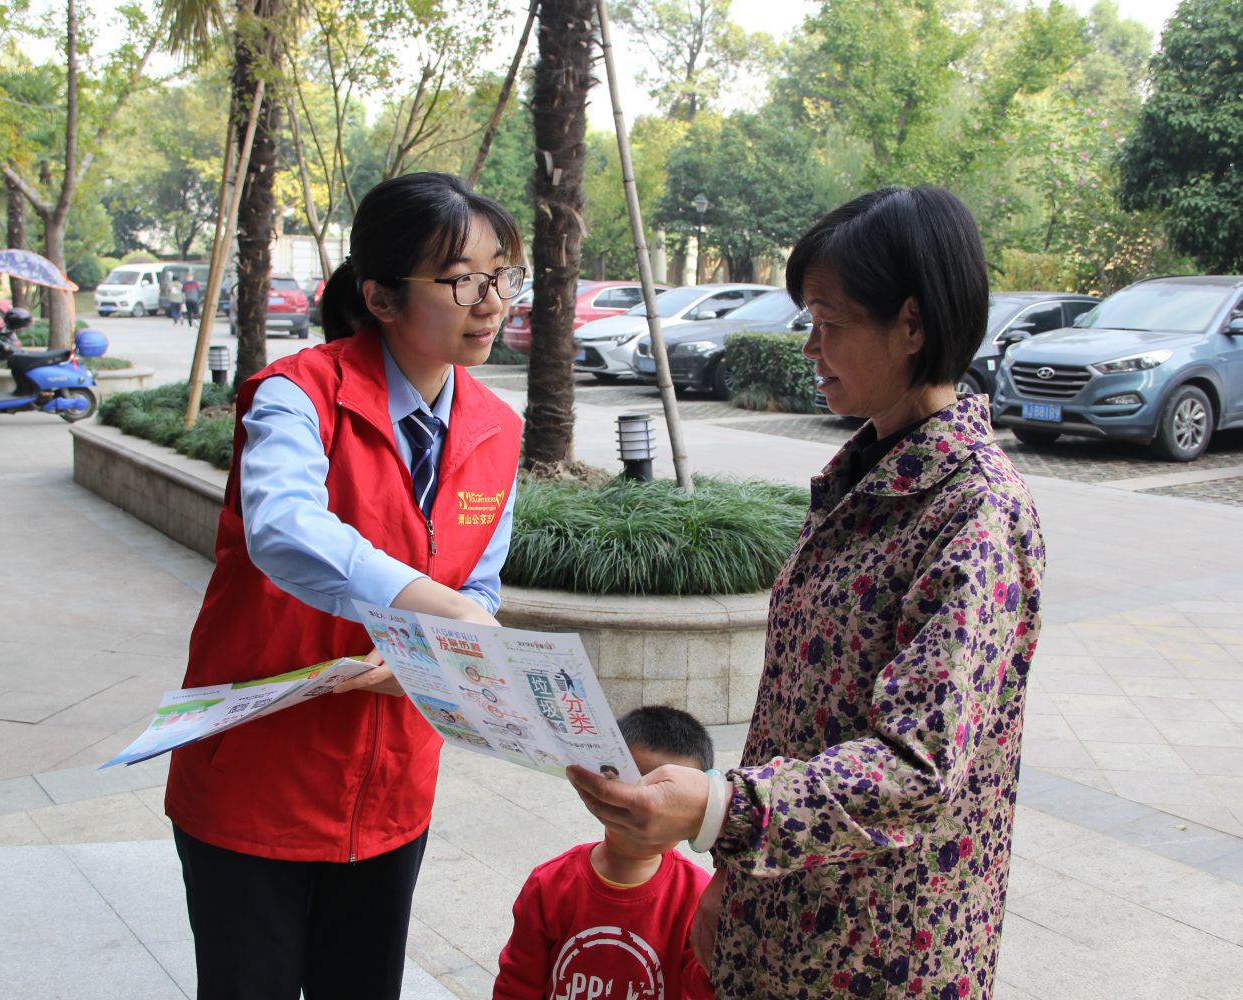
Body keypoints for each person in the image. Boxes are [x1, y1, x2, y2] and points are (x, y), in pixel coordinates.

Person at [568, 186, 1047, 1000]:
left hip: (880, 946)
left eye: (829, 322)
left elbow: (917, 765)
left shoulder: (976, 513)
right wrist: (733, 869)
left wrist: (719, 810)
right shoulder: (864, 476)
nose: (811, 348)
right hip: (783, 909)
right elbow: (791, 709)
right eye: (807, 322)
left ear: (912, 324)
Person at [165, 171, 528, 1000]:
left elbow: (481, 585)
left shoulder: (496, 429)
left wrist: (431, 650)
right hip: (257, 782)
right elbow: (284, 528)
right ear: (382, 297)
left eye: (504, 275)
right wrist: (436, 606)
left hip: (391, 787)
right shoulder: (296, 396)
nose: (492, 302)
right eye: (463, 279)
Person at [494, 706, 718, 1000]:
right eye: (635, 787)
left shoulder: (698, 896)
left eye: (667, 802)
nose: (646, 812)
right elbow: (517, 984)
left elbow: (701, 989)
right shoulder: (548, 884)